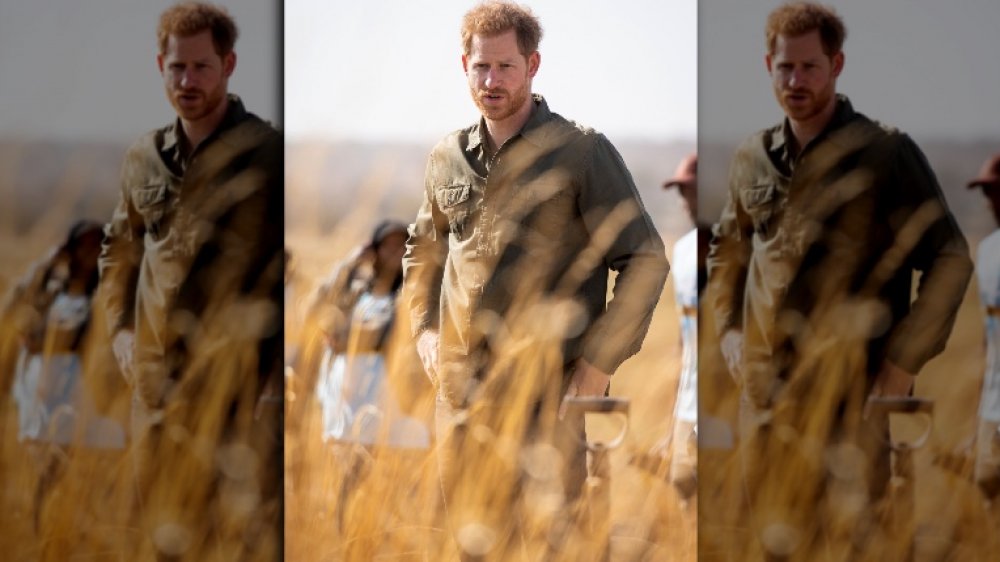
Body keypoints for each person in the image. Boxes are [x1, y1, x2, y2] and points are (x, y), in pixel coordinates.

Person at [402, 1, 669, 557]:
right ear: (464, 66)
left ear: (533, 65)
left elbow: (644, 258)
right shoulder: (446, 157)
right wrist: (425, 331)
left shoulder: (581, 152)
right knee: (475, 547)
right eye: (481, 67)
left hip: (549, 399)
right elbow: (421, 252)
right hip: (461, 398)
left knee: (557, 547)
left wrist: (598, 364)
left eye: (505, 66)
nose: (491, 80)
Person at [705, 2, 972, 557]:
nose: (795, 81)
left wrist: (902, 363)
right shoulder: (752, 157)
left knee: (858, 548)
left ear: (837, 64)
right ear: (767, 65)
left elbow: (949, 258)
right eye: (785, 68)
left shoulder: (886, 153)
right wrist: (729, 332)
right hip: (765, 403)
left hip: (853, 405)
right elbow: (726, 255)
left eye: (809, 67)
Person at [96, 3, 282, 559]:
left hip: (236, 392)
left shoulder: (264, 153)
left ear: (228, 64)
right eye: (177, 67)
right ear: (160, 65)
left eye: (202, 67)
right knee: (164, 536)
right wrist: (120, 333)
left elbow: (281, 269)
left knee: (237, 539)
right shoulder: (143, 158)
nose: (188, 80)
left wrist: (271, 383)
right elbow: (119, 252)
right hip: (154, 387)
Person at [3, 221, 124, 532]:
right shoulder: (50, 288)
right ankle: (41, 534)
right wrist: (46, 262)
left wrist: (49, 340)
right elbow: (14, 310)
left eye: (98, 243)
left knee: (92, 476)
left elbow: (82, 339)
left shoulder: (108, 293)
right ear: (71, 249)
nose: (91, 250)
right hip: (45, 396)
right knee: (47, 474)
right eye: (83, 244)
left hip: (87, 398)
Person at [646, 153, 707, 503]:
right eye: (683, 192)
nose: (687, 201)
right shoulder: (683, 252)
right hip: (687, 410)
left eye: (694, 191)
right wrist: (672, 427)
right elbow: (686, 343)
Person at [968, 153, 1000, 521]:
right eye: (987, 191)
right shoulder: (988, 252)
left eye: (997, 190)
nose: (991, 199)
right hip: (992, 412)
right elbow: (987, 341)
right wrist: (975, 425)